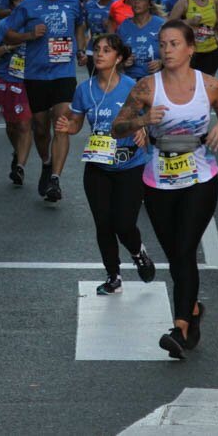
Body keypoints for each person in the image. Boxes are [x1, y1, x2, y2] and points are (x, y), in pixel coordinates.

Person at [112, 20, 218, 360]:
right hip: (158, 180)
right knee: (176, 255)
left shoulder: (209, 85)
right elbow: (117, 126)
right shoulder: (146, 88)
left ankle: (179, 329)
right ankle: (193, 312)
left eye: (174, 44)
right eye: (162, 44)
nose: (166, 50)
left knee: (184, 250)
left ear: (191, 48)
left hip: (200, 177)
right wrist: (143, 120)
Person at [55, 33, 155, 295]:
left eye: (107, 50)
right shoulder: (84, 89)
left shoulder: (134, 87)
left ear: (119, 57)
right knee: (103, 224)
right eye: (96, 49)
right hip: (97, 165)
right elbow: (77, 123)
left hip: (130, 165)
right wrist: (68, 126)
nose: (99, 54)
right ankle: (113, 276)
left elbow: (149, 118)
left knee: (124, 224)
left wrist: (143, 131)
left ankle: (137, 251)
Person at [5, 0, 86, 202]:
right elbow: (7, 32)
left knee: (61, 121)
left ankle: (55, 180)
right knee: (40, 128)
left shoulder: (72, 1)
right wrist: (30, 34)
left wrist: (81, 49)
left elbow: (80, 26)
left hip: (63, 72)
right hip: (36, 74)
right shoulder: (29, 4)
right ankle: (46, 163)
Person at [0, 0, 33, 185]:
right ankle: (17, 152)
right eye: (17, 0)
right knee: (12, 125)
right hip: (6, 79)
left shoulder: (36, 25)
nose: (21, 3)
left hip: (30, 80)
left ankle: (20, 166)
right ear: (12, 4)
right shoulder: (4, 25)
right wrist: (7, 48)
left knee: (24, 124)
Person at [168, 0, 218, 75]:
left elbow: (217, 22)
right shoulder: (184, 0)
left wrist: (217, 34)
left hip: (211, 52)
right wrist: (188, 22)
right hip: (192, 53)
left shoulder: (214, 1)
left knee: (207, 87)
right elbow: (169, 24)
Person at [117, 0, 164, 81]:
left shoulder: (161, 25)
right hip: (130, 80)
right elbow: (115, 55)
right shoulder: (124, 26)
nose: (136, 2)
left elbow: (174, 51)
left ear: (150, 3)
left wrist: (161, 62)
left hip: (156, 79)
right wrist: (122, 62)